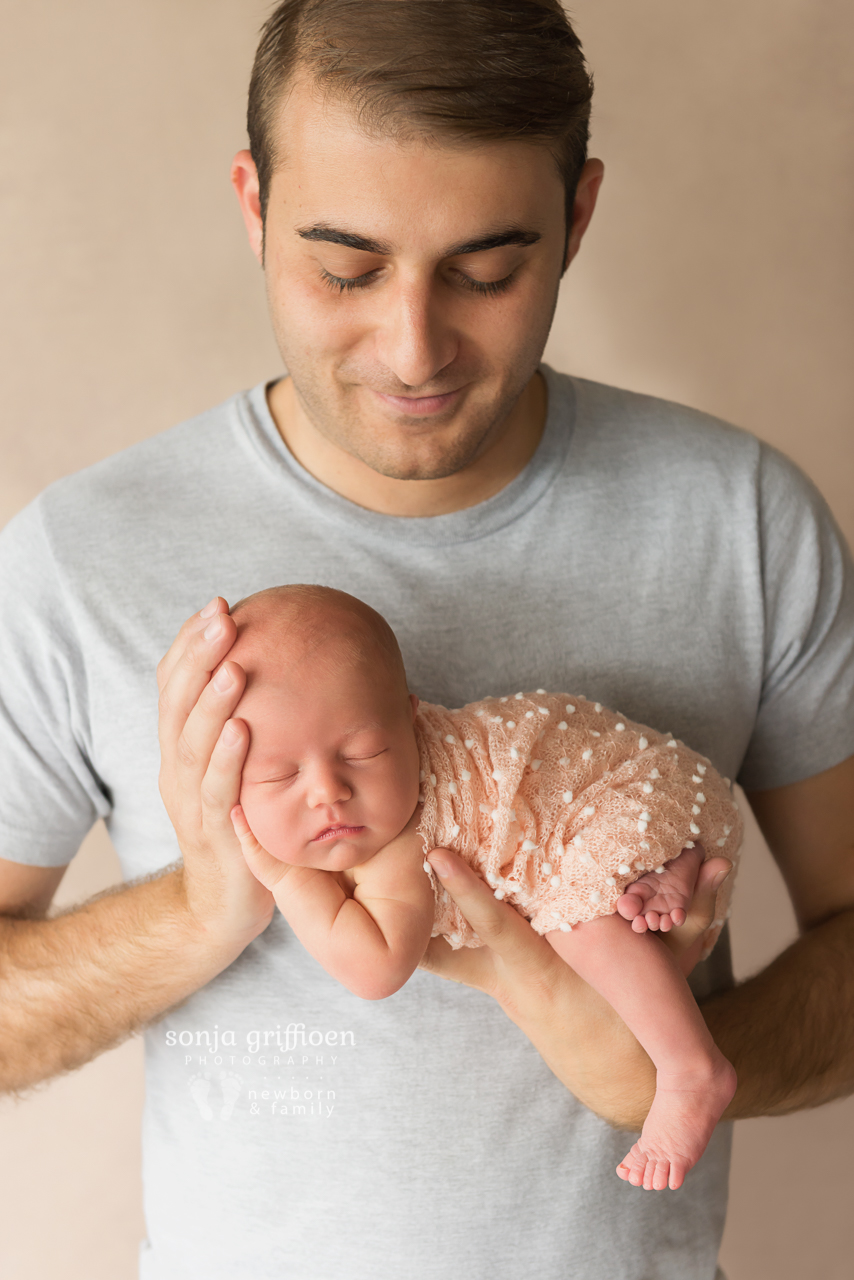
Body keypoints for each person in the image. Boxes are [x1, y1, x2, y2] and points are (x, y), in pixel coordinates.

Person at [0, 1, 852, 1276]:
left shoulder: (738, 520)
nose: (412, 348)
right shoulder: (79, 554)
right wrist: (199, 907)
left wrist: (655, 1057)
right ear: (250, 203)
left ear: (577, 218)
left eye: (487, 269)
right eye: (344, 268)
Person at [225, 582, 741, 1192]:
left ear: (412, 719)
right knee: (594, 899)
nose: (327, 792)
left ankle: (691, 1070)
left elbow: (376, 968)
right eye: (280, 774)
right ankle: (663, 871)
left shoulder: (403, 836)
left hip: (628, 791)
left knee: (577, 923)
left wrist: (288, 877)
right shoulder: (368, 803)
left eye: (364, 753)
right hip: (653, 801)